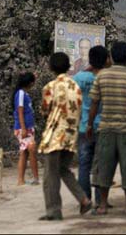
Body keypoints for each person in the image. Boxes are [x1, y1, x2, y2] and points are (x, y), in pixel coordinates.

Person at [88, 41, 126, 216]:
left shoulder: (101, 76)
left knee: (104, 166)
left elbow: (94, 102)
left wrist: (89, 125)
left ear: (112, 57)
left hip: (106, 128)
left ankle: (102, 206)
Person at [38, 52, 92, 221]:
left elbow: (45, 111)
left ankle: (53, 211)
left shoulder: (50, 87)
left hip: (54, 136)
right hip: (71, 135)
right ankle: (83, 199)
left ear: (51, 67)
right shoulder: (75, 86)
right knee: (63, 169)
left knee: (50, 175)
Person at [74, 45, 109, 211]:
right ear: (106, 60)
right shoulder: (107, 77)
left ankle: (84, 200)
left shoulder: (79, 78)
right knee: (101, 165)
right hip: (103, 126)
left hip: (84, 126)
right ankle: (100, 201)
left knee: (84, 165)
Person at [12, 72, 40, 186]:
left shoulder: (25, 94)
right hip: (24, 128)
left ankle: (21, 180)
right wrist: (23, 128)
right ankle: (35, 177)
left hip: (28, 127)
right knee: (32, 149)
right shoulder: (21, 94)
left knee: (24, 153)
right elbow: (20, 111)